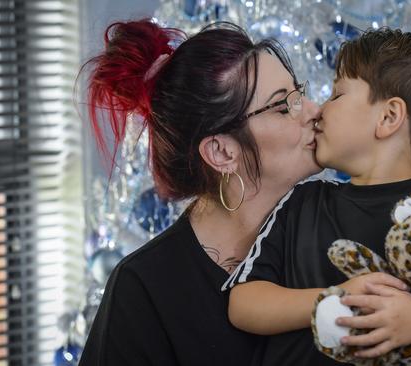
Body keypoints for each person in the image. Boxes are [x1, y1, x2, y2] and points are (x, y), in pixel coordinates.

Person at [226, 28, 411, 365]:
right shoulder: (300, 202)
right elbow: (243, 304)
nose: (319, 110)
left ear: (389, 117)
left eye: (336, 95)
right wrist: (332, 298)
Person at [77, 19, 330, 365]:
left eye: (299, 93)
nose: (315, 111)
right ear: (222, 152)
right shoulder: (144, 289)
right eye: (284, 105)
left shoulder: (334, 240)